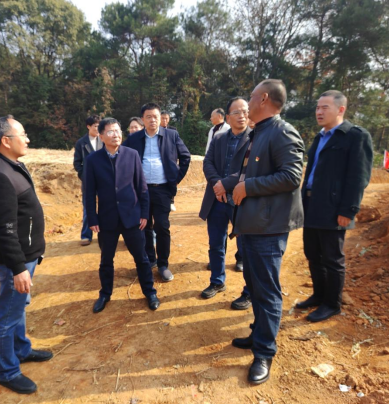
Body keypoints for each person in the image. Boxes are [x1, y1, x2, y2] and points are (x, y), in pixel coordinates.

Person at [231, 80, 305, 385]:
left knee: (267, 291)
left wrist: (248, 187)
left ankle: (264, 353)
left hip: (268, 228)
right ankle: (258, 334)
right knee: (255, 285)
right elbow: (252, 173)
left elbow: (292, 176)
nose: (247, 102)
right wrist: (231, 183)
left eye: (251, 97)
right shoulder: (259, 132)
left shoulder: (282, 132)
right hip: (252, 224)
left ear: (263, 99)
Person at [0, 115, 52, 395]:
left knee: (18, 307)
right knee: (8, 315)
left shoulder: (10, 165)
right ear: (6, 141)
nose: (28, 139)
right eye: (23, 134)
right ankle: (8, 372)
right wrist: (19, 267)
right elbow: (3, 229)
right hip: (15, 260)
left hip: (25, 255)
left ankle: (21, 350)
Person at [297, 90, 373, 323]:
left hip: (333, 208)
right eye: (317, 107)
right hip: (311, 204)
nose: (319, 112)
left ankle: (332, 304)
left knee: (332, 258)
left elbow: (358, 177)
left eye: (325, 107)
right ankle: (319, 295)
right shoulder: (319, 137)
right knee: (313, 254)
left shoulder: (355, 136)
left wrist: (348, 210)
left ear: (341, 109)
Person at [85, 118, 160, 313]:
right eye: (110, 132)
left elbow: (142, 187)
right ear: (101, 136)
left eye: (118, 130)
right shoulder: (93, 160)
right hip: (107, 219)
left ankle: (150, 292)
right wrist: (92, 218)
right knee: (106, 260)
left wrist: (144, 213)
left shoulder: (132, 155)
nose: (116, 135)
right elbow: (89, 193)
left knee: (142, 258)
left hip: (132, 216)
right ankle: (105, 294)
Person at [124, 103, 192, 282]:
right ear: (143, 120)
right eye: (148, 117)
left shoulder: (171, 135)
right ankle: (149, 260)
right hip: (141, 191)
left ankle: (163, 264)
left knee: (162, 226)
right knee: (144, 226)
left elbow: (185, 157)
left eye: (155, 116)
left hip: (162, 190)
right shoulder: (134, 138)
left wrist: (175, 179)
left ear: (160, 118)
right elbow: (122, 157)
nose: (153, 120)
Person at [199, 98, 251, 302]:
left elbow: (252, 170)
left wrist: (225, 183)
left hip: (242, 200)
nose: (242, 116)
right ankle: (217, 281)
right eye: (237, 112)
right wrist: (216, 184)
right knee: (216, 244)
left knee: (246, 246)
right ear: (228, 117)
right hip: (217, 199)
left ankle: (249, 290)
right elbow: (207, 162)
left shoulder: (255, 139)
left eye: (245, 111)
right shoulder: (219, 138)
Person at [74, 115, 103, 246]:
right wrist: (84, 176)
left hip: (103, 180)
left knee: (105, 207)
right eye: (95, 126)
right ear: (88, 126)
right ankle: (86, 235)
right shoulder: (81, 143)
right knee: (88, 208)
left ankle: (104, 232)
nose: (98, 128)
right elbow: (77, 163)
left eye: (99, 126)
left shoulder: (103, 140)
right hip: (88, 181)